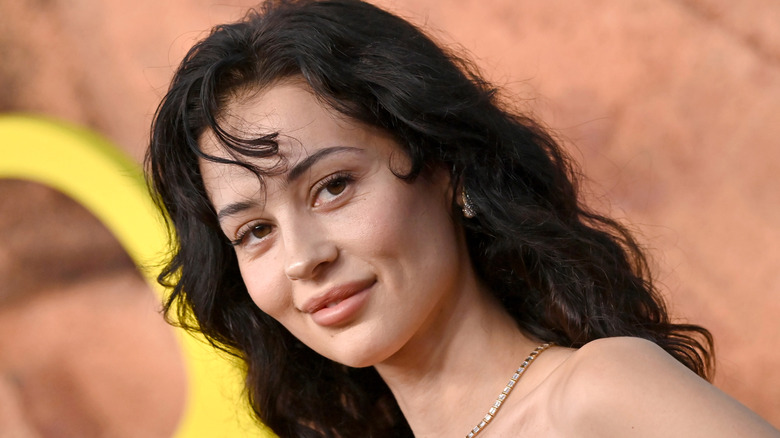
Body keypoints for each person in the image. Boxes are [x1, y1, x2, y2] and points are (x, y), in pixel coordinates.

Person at [146, 0, 780, 436]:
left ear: (446, 167)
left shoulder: (600, 395)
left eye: (333, 186)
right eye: (255, 230)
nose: (301, 257)